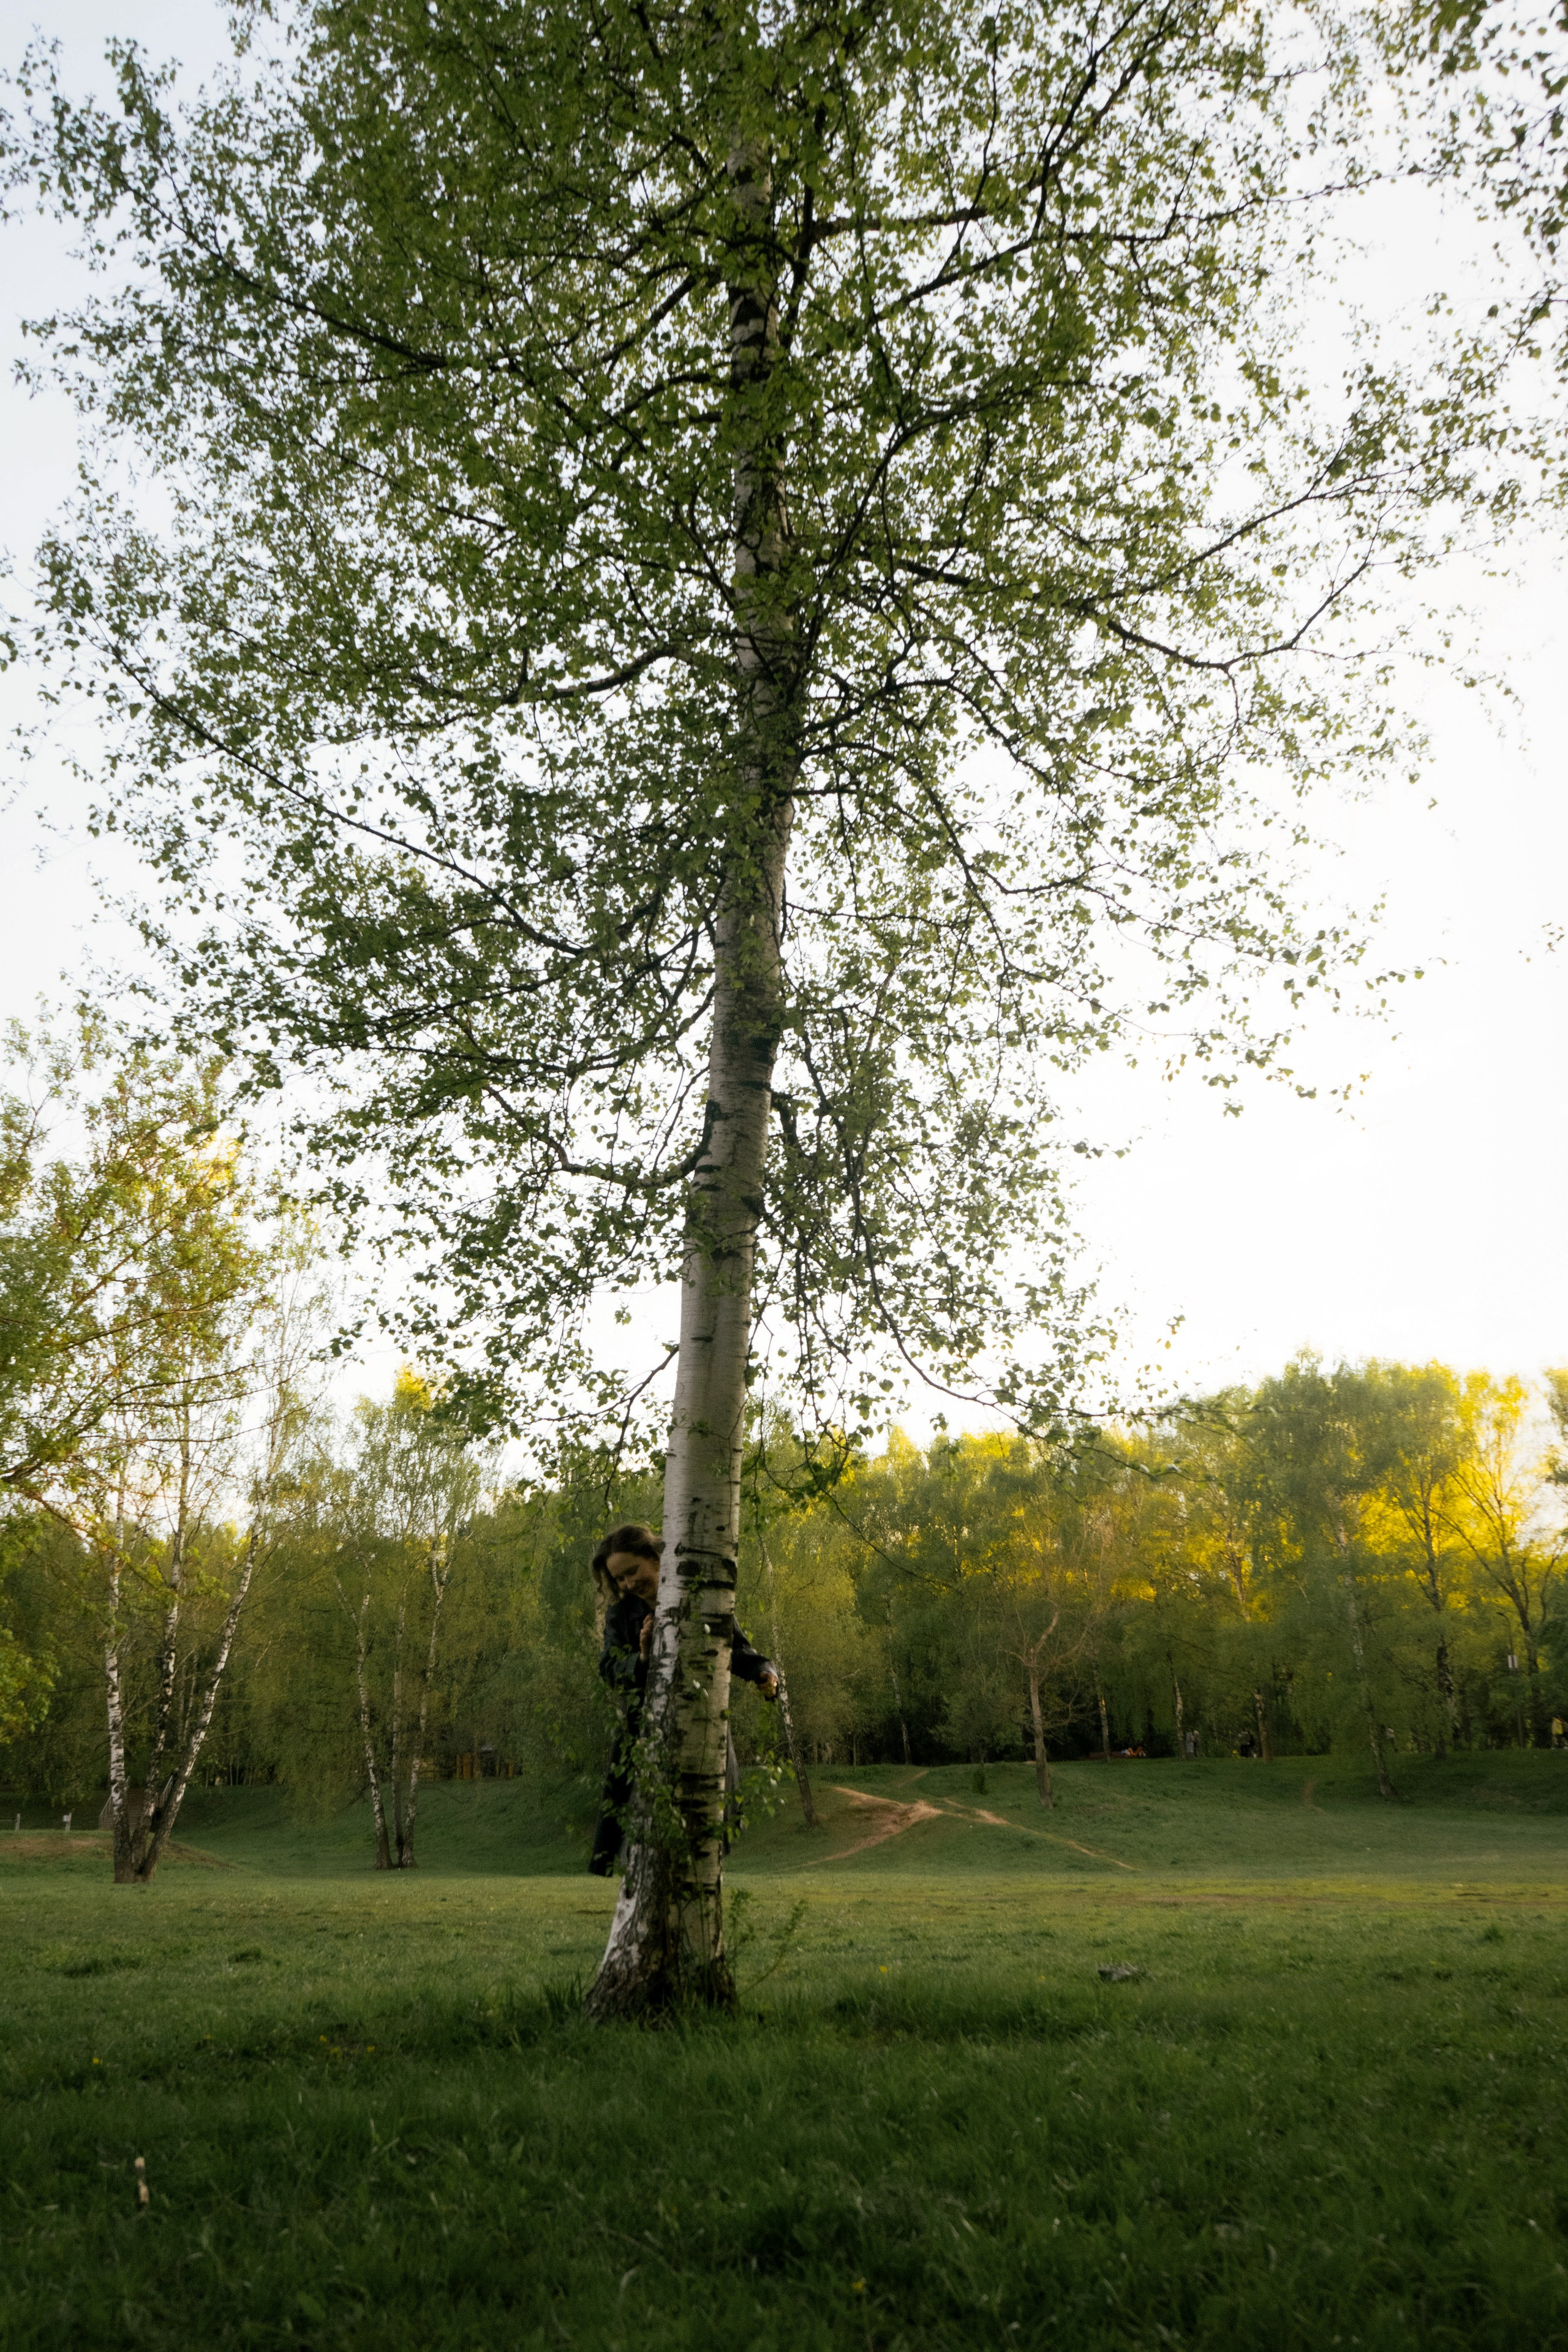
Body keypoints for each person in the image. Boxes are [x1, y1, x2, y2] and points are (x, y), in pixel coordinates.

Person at [587, 1521, 778, 1876]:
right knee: (643, 1842)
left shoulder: (700, 1596)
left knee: (706, 1836)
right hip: (644, 1739)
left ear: (654, 1557)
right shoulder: (621, 1615)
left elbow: (737, 1649)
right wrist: (644, 1658)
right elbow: (610, 1670)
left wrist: (767, 1672)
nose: (628, 1585)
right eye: (619, 1580)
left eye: (632, 1572)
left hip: (704, 1727)